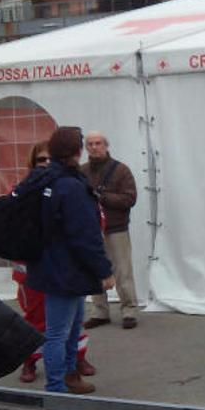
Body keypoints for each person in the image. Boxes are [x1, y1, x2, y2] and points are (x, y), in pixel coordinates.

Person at [27, 126, 115, 393]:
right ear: (77, 151)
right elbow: (85, 236)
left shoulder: (45, 180)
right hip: (65, 272)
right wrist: (105, 271)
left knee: (71, 329)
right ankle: (56, 390)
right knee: (57, 333)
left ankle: (69, 377)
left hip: (54, 267)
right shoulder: (69, 185)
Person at [13, 141, 97, 383]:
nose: (47, 164)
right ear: (33, 163)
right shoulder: (23, 190)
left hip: (66, 270)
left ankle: (77, 359)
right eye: (41, 160)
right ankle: (30, 361)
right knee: (37, 319)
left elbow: (92, 223)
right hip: (32, 272)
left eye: (51, 159)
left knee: (72, 320)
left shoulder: (72, 187)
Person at [80, 131, 139, 330]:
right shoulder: (81, 171)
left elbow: (130, 199)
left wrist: (102, 197)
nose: (94, 147)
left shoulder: (121, 170)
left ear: (106, 145)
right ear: (86, 148)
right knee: (94, 270)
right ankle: (100, 312)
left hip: (116, 228)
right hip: (91, 229)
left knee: (123, 272)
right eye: (90, 144)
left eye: (98, 143)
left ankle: (129, 310)